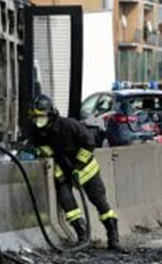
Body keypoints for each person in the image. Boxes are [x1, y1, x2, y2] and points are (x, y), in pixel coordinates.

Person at [27, 94, 122, 251]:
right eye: (35, 117)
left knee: (99, 202)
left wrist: (78, 167)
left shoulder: (69, 125)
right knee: (68, 204)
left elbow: (89, 143)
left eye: (41, 117)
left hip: (86, 169)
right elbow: (40, 148)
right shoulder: (37, 131)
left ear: (51, 114)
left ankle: (113, 237)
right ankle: (82, 236)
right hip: (63, 171)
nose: (38, 121)